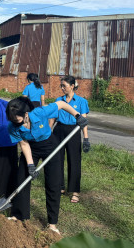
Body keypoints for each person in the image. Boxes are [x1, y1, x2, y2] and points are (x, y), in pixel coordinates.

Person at [6, 96, 89, 234]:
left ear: (26, 114)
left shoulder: (39, 112)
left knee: (53, 184)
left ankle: (52, 224)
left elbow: (61, 104)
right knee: (22, 179)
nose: (14, 123)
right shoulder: (12, 127)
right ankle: (19, 215)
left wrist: (77, 115)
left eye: (17, 120)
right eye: (12, 120)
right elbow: (24, 144)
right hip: (31, 148)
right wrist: (31, 165)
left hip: (50, 145)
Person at [52, 75, 90, 203]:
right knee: (57, 159)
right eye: (61, 86)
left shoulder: (81, 102)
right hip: (59, 130)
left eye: (64, 86)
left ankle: (75, 191)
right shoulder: (59, 100)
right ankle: (60, 186)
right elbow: (53, 117)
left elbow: (83, 121)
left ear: (72, 86)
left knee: (74, 161)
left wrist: (85, 138)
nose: (62, 88)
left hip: (73, 131)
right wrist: (47, 133)